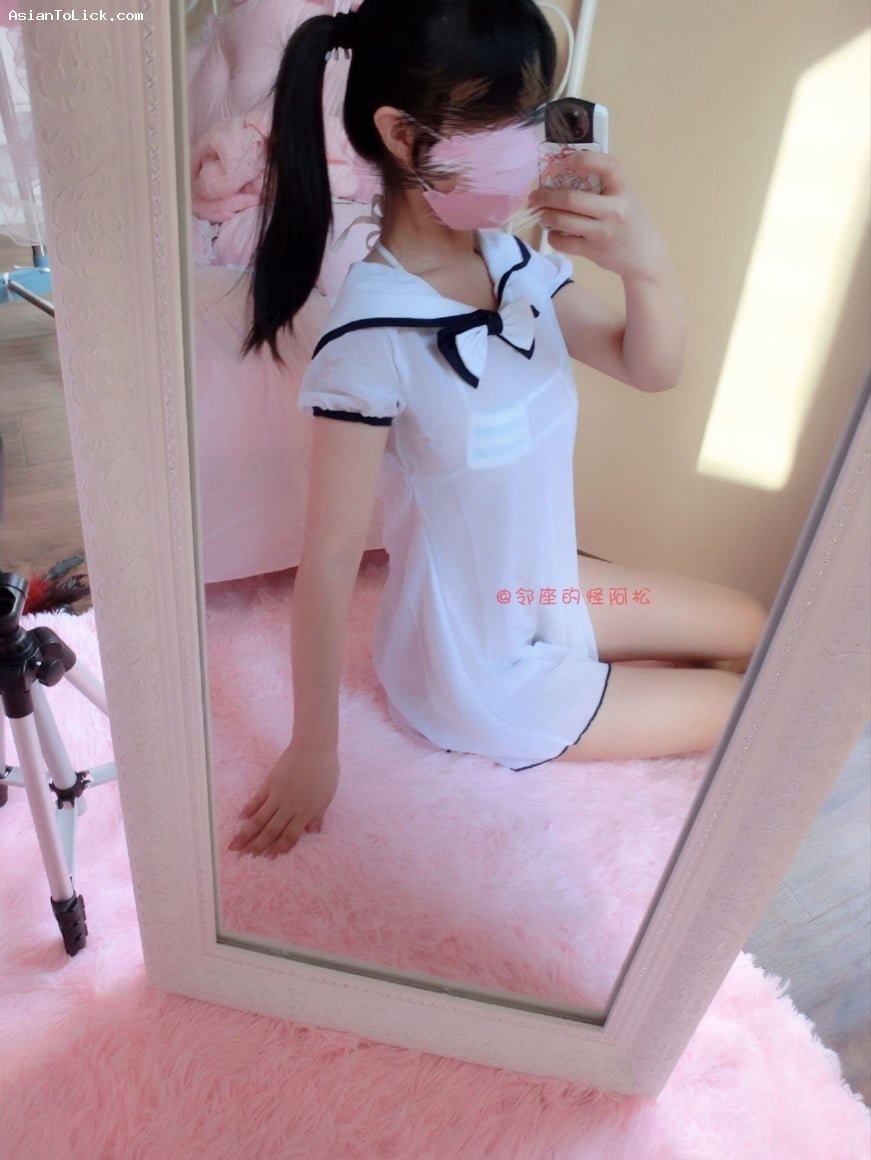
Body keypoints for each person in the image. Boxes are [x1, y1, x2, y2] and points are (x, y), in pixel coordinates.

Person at [229, 0, 767, 859]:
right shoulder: (370, 339)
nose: (536, 143)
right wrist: (314, 748)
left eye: (540, 111)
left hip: (540, 591)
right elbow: (327, 560)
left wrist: (644, 262)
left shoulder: (511, 261)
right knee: (755, 705)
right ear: (403, 136)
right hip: (475, 667)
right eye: (504, 119)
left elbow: (649, 367)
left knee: (754, 626)